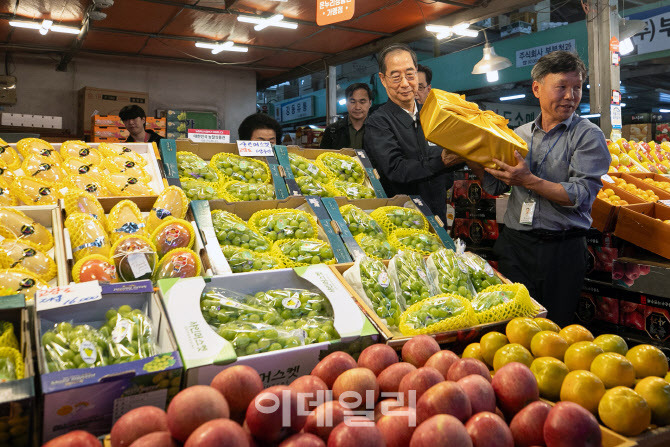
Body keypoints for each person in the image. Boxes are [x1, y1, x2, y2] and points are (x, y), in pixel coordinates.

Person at [467, 51, 611, 327]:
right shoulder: (517, 135)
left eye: (577, 88)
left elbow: (580, 196)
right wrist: (471, 156)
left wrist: (529, 180)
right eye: (562, 87)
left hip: (562, 250)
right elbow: (495, 184)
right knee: (514, 327)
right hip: (516, 246)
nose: (570, 96)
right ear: (537, 88)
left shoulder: (587, 136)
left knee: (554, 330)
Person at [364, 43, 464, 224]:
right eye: (395, 77)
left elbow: (449, 159)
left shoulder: (432, 115)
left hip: (438, 215)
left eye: (410, 75)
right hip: (402, 220)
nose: (405, 83)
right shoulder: (378, 122)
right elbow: (396, 169)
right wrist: (441, 161)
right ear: (383, 79)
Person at [320, 83, 373, 149]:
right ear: (346, 103)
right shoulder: (332, 130)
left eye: (362, 102)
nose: (357, 107)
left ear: (370, 103)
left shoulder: (381, 129)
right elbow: (323, 157)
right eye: (352, 102)